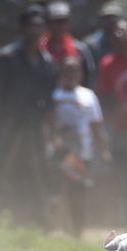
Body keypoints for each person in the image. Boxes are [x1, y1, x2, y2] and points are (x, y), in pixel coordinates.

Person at [0, 5, 57, 228]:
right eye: (31, 26)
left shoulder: (48, 63)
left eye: (39, 26)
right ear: (22, 28)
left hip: (34, 128)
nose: (35, 31)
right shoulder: (6, 58)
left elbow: (49, 104)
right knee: (1, 169)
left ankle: (32, 220)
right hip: (8, 125)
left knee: (34, 173)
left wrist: (52, 133)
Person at [52, 56, 110, 237]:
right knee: (60, 190)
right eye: (67, 71)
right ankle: (58, 227)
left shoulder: (88, 96)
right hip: (60, 153)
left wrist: (104, 149)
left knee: (78, 191)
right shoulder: (55, 95)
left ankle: (77, 229)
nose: (71, 75)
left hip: (82, 154)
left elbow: (97, 125)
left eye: (75, 71)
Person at [97, 17, 127, 230]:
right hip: (119, 131)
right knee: (120, 176)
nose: (120, 37)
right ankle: (120, 220)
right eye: (116, 34)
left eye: (124, 32)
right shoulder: (108, 63)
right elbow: (105, 98)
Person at [41, 1, 96, 88]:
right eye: (56, 21)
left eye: (63, 21)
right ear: (48, 24)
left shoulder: (79, 49)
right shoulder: (40, 48)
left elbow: (89, 77)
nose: (60, 26)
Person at [83, 2, 123, 69]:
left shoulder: (125, 42)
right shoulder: (91, 44)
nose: (111, 21)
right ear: (101, 20)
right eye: (107, 18)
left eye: (114, 18)